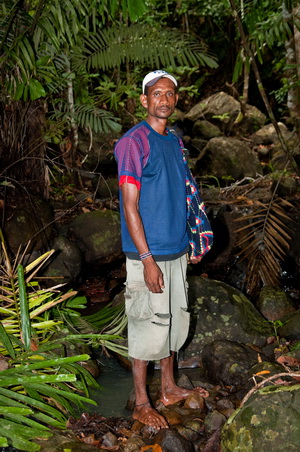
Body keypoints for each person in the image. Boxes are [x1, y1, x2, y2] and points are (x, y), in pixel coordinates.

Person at [114, 70, 210, 430]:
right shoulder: (133, 143)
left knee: (172, 322)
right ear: (144, 100)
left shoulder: (174, 141)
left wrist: (193, 241)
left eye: (170, 94)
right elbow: (130, 205)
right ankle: (141, 402)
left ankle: (168, 387)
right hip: (147, 255)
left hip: (176, 250)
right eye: (157, 94)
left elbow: (185, 193)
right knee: (146, 325)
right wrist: (147, 259)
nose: (165, 100)